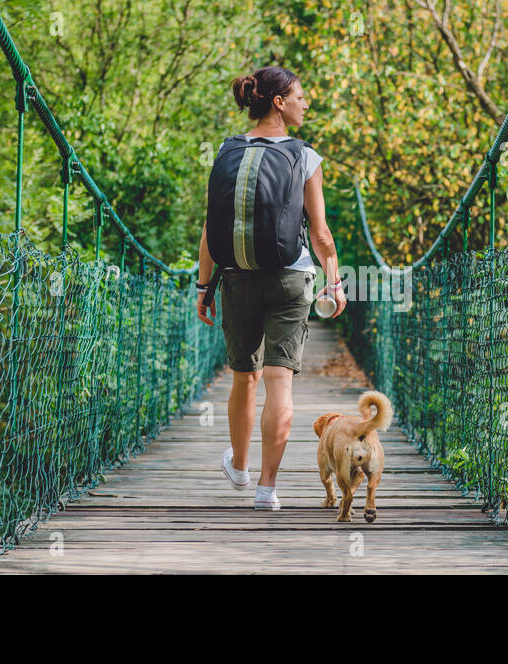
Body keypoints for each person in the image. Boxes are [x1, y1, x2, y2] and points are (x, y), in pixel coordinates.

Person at [195, 65, 347, 510]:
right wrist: (335, 283)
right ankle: (267, 490)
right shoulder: (305, 155)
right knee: (280, 384)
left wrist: (203, 286)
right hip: (292, 278)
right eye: (300, 96)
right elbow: (320, 235)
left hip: (237, 277)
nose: (306, 103)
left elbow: (210, 228)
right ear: (279, 103)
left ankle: (239, 468)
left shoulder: (225, 150)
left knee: (245, 378)